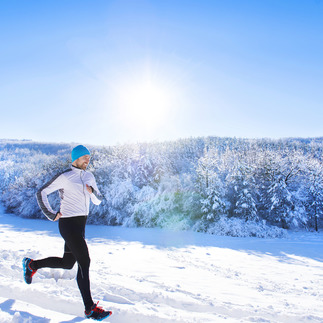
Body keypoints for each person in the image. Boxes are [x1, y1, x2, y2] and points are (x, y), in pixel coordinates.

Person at [22, 145, 112, 321]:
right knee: (84, 261)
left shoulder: (89, 177)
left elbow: (99, 200)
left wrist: (92, 191)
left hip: (80, 225)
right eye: (85, 157)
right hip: (68, 224)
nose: (88, 160)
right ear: (75, 158)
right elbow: (42, 192)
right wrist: (51, 214)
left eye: (89, 157)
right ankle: (89, 308)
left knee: (67, 263)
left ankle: (32, 265)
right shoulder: (65, 176)